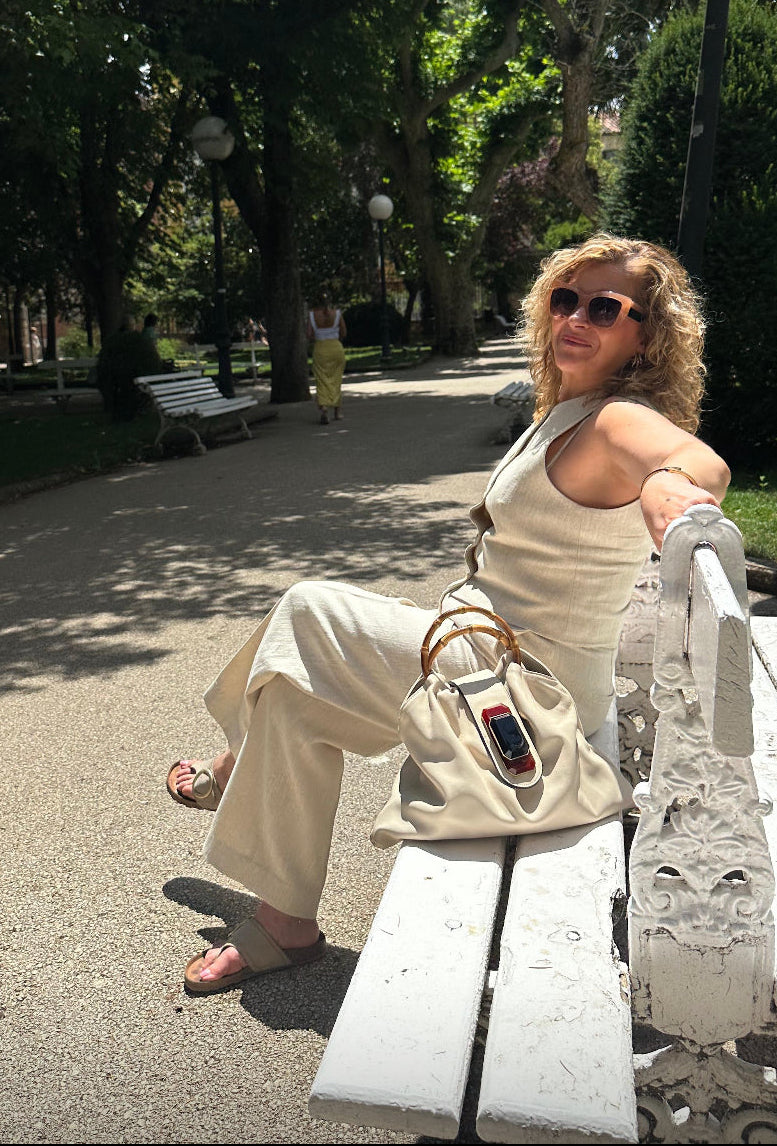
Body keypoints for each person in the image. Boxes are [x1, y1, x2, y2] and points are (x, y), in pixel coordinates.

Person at [166, 233, 730, 993]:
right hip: (482, 654)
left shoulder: (615, 421)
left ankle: (231, 766)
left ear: (646, 335)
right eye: (565, 299)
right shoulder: (573, 409)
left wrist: (669, 485)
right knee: (292, 704)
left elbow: (698, 463)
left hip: (524, 692)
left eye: (605, 308)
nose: (575, 318)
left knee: (307, 610)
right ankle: (286, 923)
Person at [307, 294, 347, 424]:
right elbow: (344, 332)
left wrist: (318, 337)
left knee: (322, 380)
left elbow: (309, 334)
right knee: (336, 380)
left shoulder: (312, 315)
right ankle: (337, 412)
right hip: (336, 348)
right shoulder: (337, 314)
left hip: (320, 349)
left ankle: (324, 407)